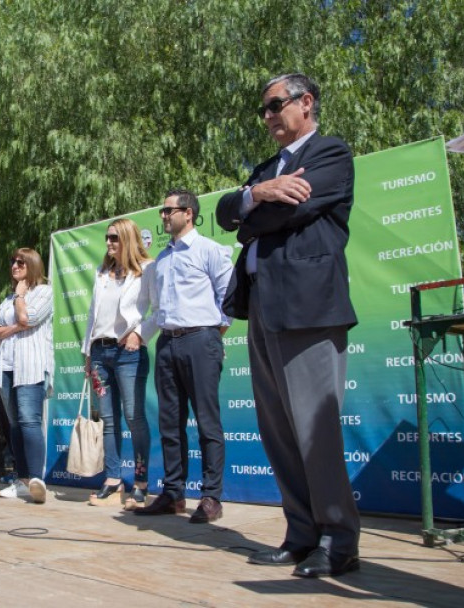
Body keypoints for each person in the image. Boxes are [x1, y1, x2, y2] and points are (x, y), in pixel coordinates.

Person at [216, 73, 360, 577]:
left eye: (276, 105)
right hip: (263, 311)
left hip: (309, 310)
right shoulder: (265, 169)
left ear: (306, 102)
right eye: (265, 109)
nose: (269, 116)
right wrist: (260, 192)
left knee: (314, 431)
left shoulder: (331, 154)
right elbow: (223, 212)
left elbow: (282, 216)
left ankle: (339, 540)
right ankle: (301, 534)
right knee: (278, 431)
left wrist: (254, 208)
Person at [133, 190, 233, 523]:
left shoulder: (210, 251)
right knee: (170, 424)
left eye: (167, 210)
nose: (163, 216)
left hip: (201, 341)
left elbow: (228, 300)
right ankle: (173, 494)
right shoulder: (161, 260)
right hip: (167, 344)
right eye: (162, 210)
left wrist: (209, 336)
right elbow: (158, 308)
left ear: (187, 213)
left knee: (207, 421)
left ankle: (210, 497)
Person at [81, 218, 153, 508]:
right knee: (109, 421)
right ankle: (113, 480)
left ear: (128, 239)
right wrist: (88, 355)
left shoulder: (147, 270)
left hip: (129, 353)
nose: (109, 243)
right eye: (107, 238)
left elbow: (159, 310)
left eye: (115, 238)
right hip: (100, 354)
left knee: (134, 417)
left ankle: (141, 482)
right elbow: (91, 316)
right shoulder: (101, 272)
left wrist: (139, 333)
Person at [0, 248, 53, 504]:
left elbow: (28, 317)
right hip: (6, 368)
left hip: (31, 366)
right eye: (13, 261)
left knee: (29, 421)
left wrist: (21, 298)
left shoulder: (45, 292)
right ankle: (22, 480)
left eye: (20, 262)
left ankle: (36, 480)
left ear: (32, 265)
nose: (14, 265)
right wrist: (15, 326)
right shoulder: (7, 300)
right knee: (14, 424)